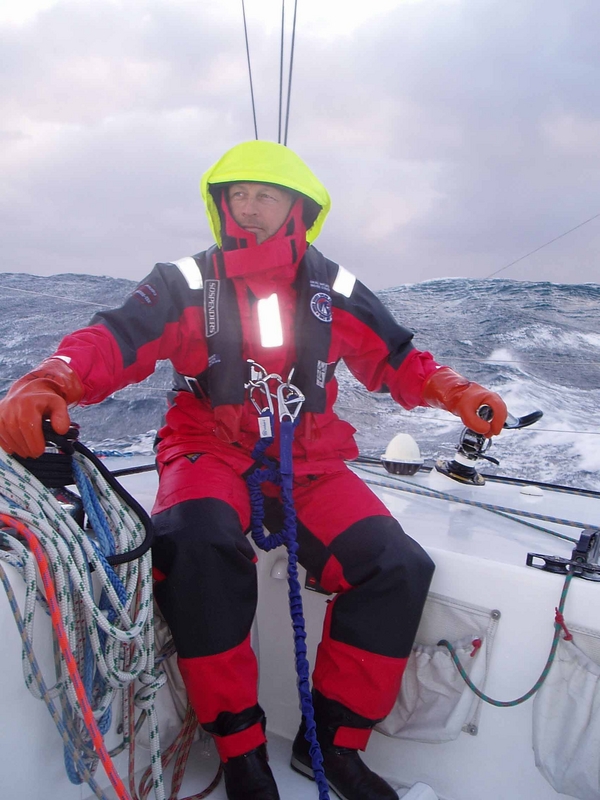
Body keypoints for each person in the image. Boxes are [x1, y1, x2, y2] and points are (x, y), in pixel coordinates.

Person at [0, 141, 507, 800]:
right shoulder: (184, 281)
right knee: (196, 544)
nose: (247, 208)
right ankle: (241, 752)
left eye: (264, 195)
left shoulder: (335, 288)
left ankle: (333, 746)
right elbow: (115, 339)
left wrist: (458, 392)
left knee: (396, 566)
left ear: (300, 209)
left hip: (308, 459)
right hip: (208, 447)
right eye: (235, 194)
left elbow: (400, 358)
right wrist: (53, 378)